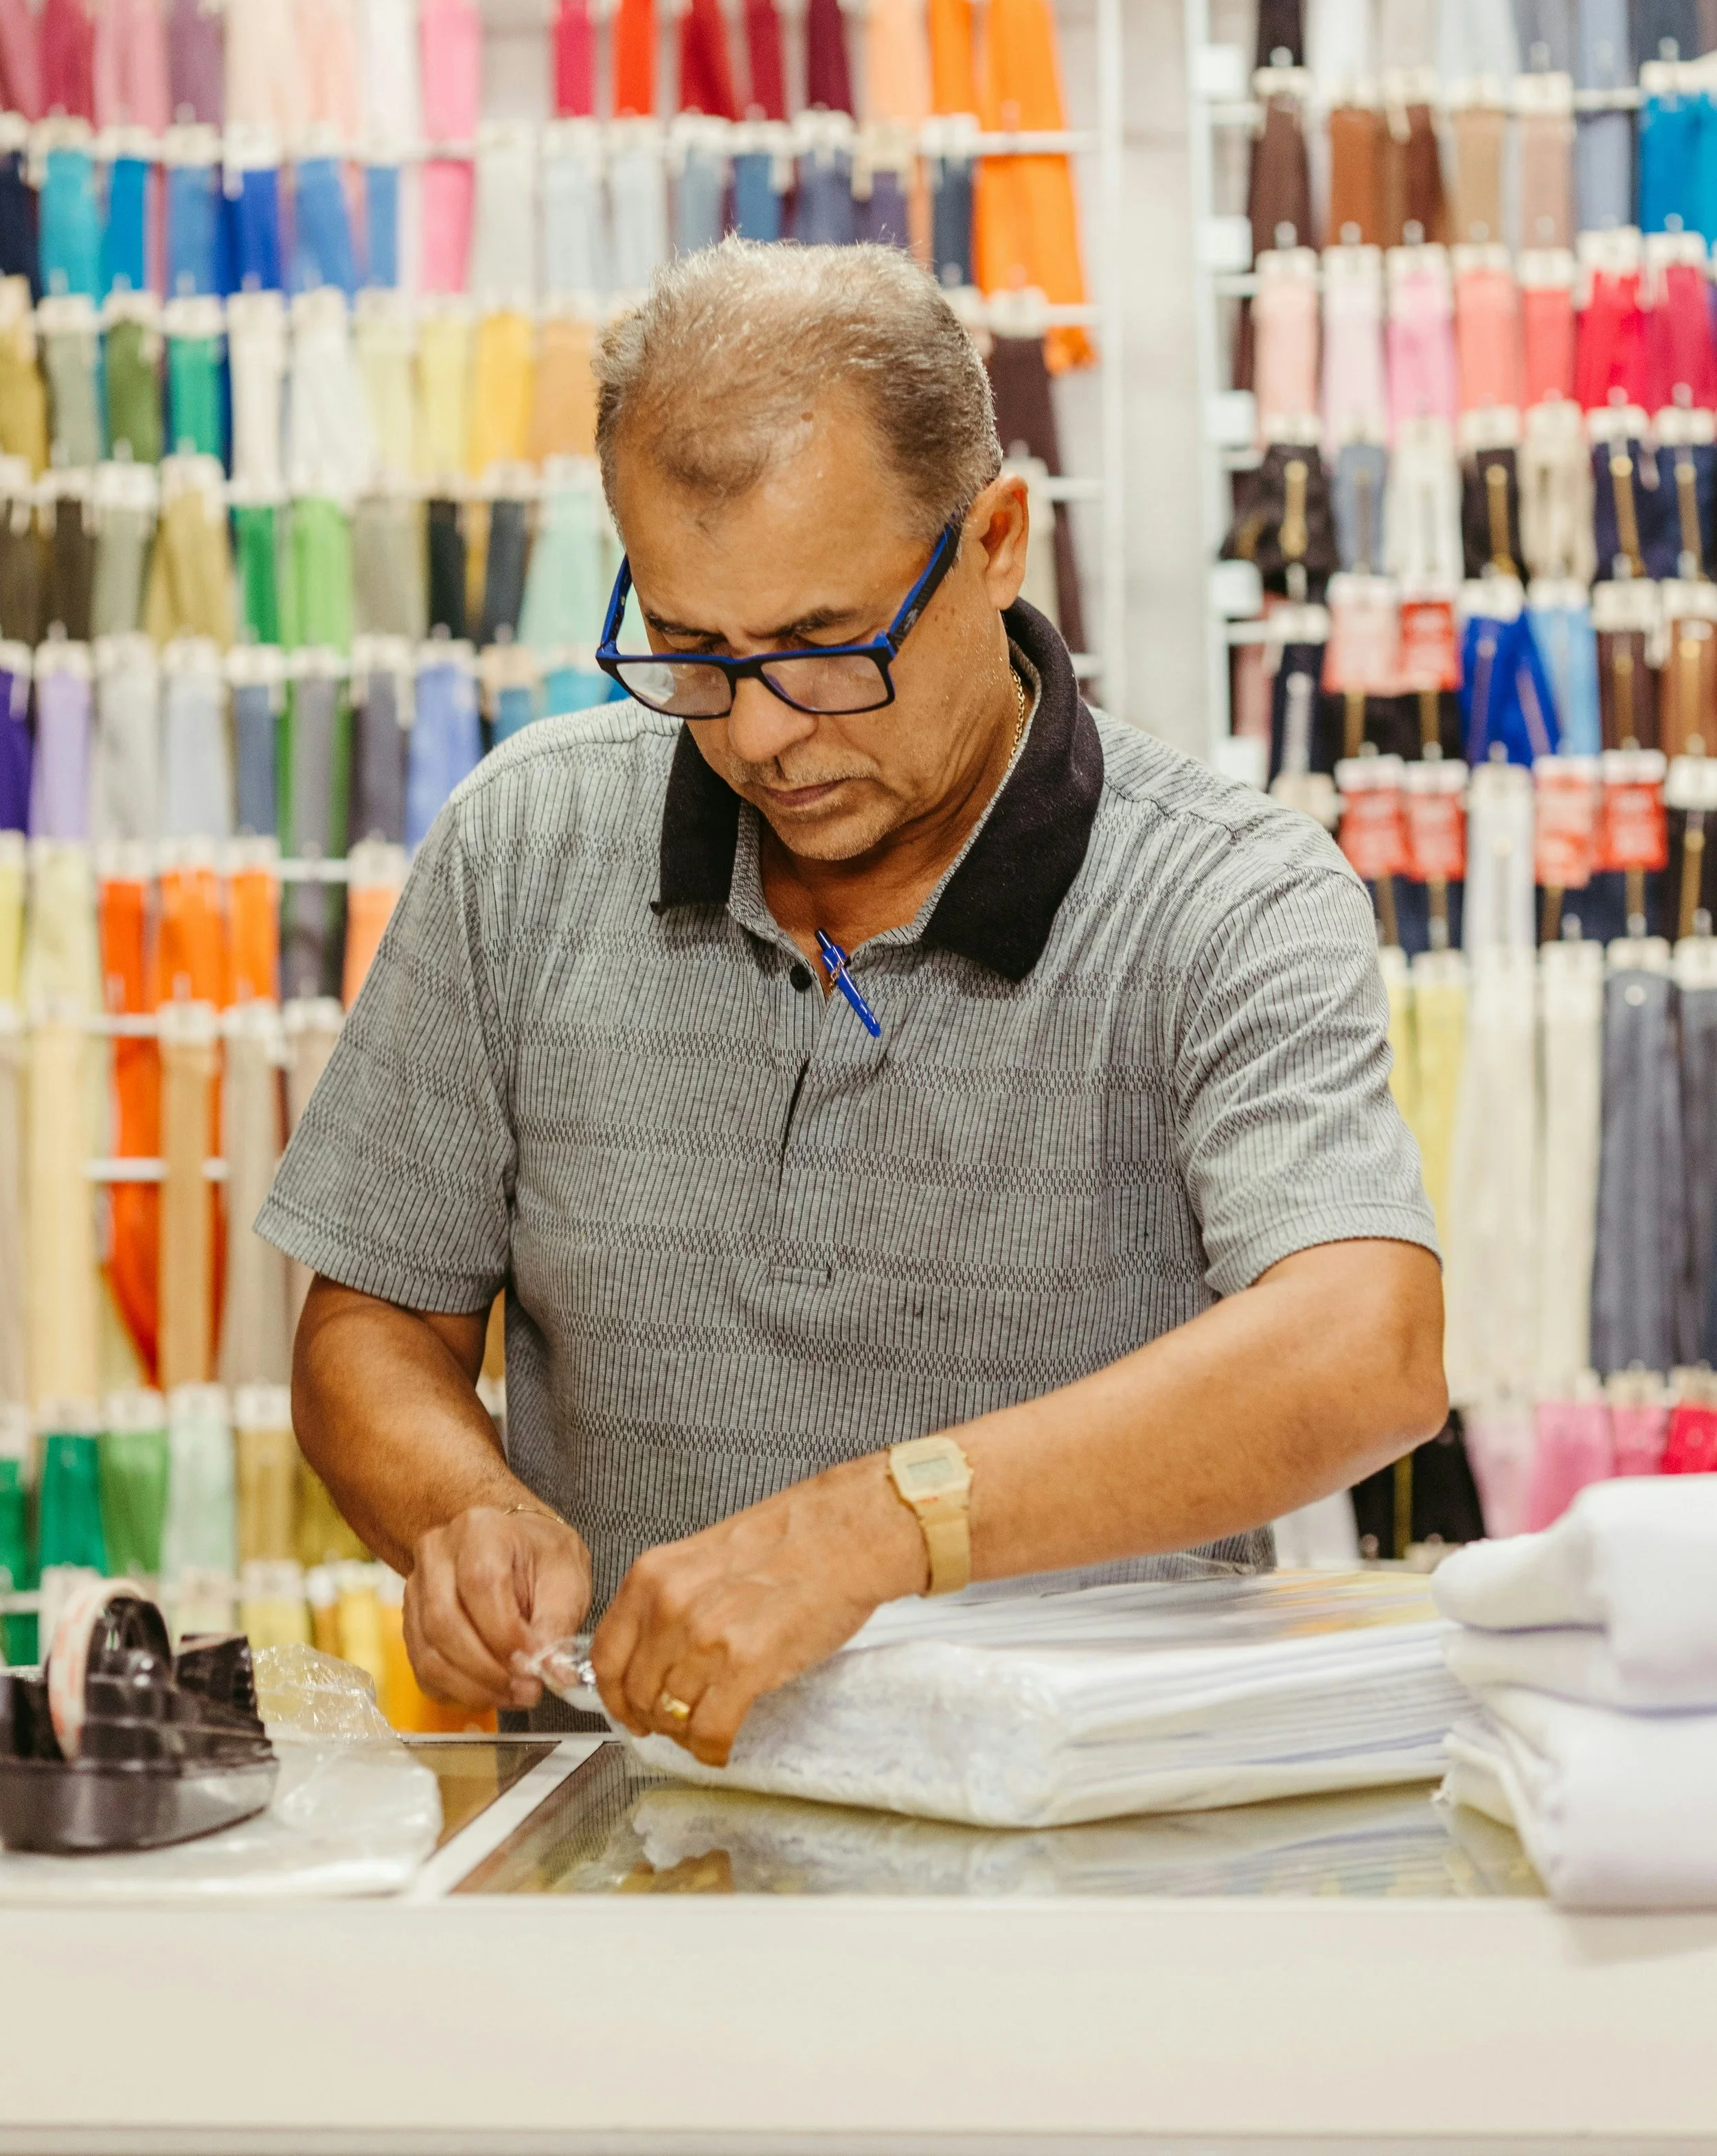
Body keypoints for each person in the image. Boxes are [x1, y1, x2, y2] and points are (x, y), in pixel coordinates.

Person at [263, 240, 1444, 1767]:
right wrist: (462, 1507)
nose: (757, 732)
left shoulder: (1227, 898)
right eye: (691, 651)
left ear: (997, 542)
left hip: (1079, 1855)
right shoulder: (526, 844)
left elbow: (1364, 1346)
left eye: (828, 650)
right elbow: (372, 1320)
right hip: (637, 1827)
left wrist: (879, 1526)